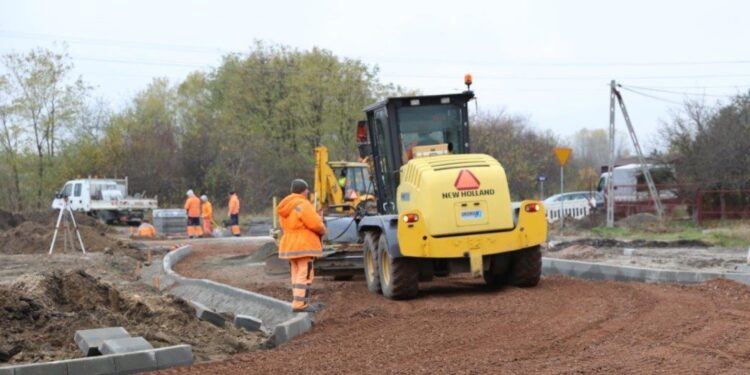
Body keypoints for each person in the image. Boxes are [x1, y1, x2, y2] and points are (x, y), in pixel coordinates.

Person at [277, 179, 327, 313]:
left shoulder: (285, 206)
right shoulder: (303, 204)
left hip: (289, 245)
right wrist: (323, 228)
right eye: (307, 190)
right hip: (304, 246)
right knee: (304, 275)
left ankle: (297, 301)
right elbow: (315, 224)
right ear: (303, 191)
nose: (308, 192)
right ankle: (300, 305)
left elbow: (284, 225)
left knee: (296, 274)